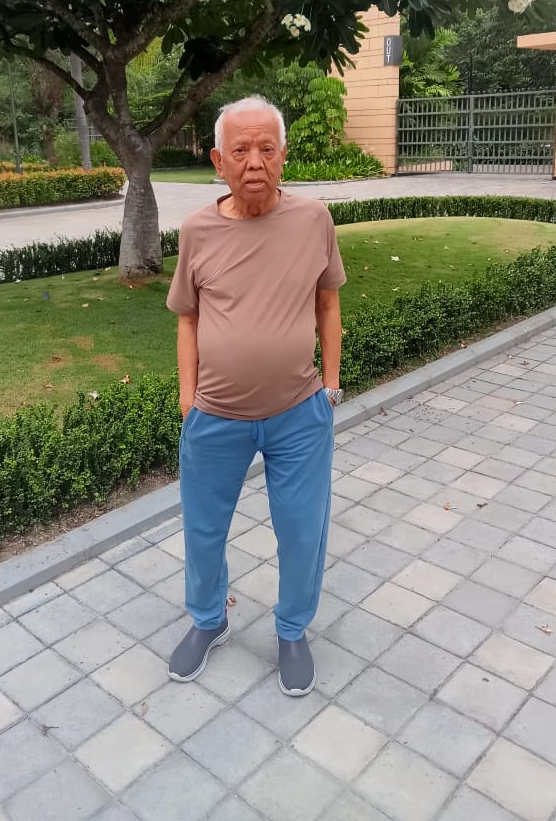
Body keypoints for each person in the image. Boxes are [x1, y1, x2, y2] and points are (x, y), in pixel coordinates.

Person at [165, 95, 346, 696]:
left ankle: (292, 631)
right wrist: (189, 400)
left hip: (299, 416)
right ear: (218, 160)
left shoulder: (314, 220)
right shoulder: (197, 230)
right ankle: (207, 620)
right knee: (203, 529)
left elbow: (328, 302)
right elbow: (187, 318)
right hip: (215, 417)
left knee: (301, 531)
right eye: (240, 150)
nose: (254, 162)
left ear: (283, 155)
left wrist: (331, 387)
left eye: (267, 148)